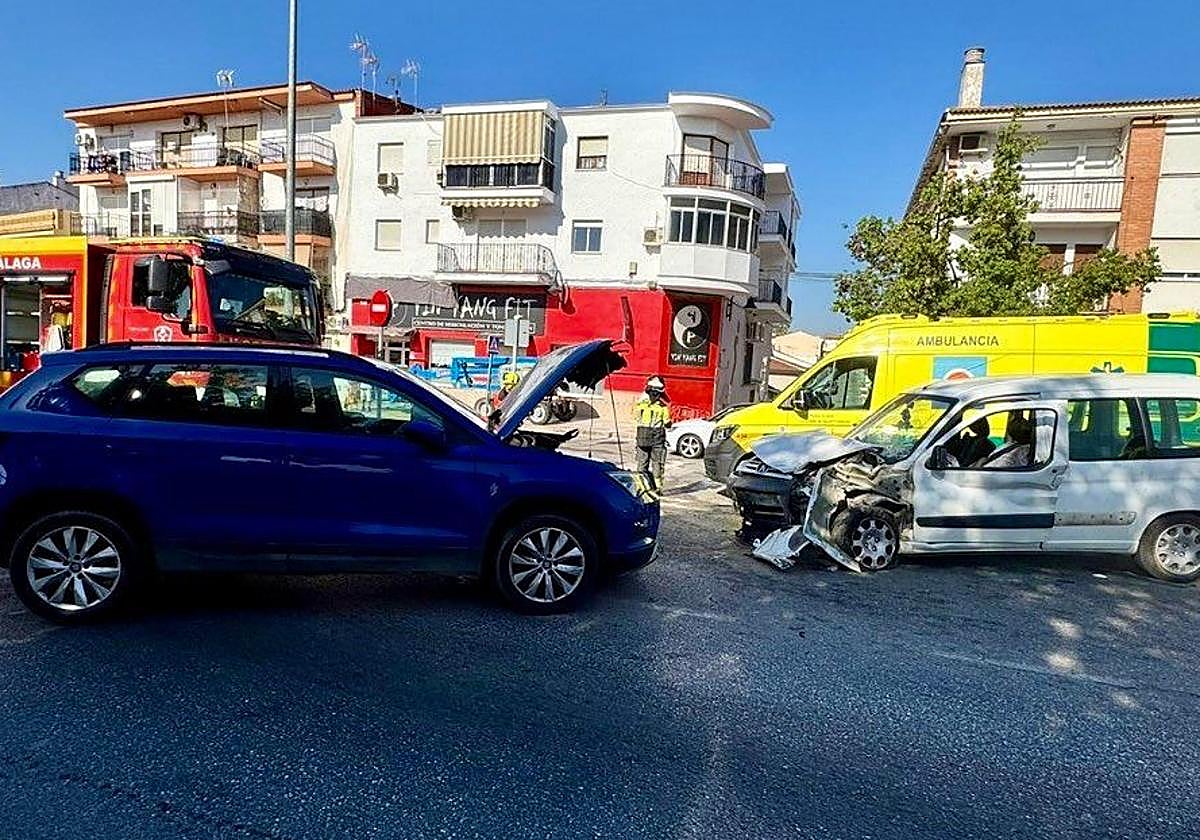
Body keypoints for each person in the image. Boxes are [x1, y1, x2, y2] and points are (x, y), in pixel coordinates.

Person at [634, 375, 671, 490]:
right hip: (657, 439)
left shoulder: (640, 405)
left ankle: (641, 487)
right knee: (657, 464)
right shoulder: (662, 407)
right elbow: (667, 423)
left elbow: (635, 417)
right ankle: (657, 488)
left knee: (642, 464)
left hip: (642, 438)